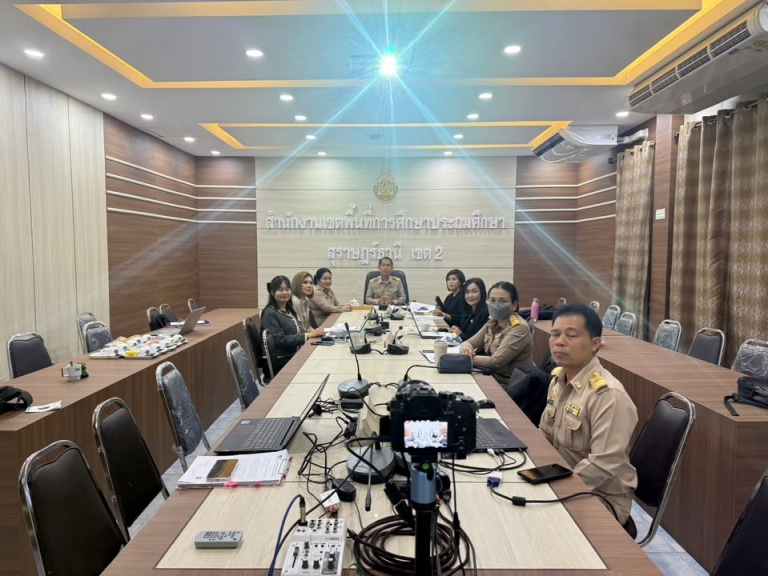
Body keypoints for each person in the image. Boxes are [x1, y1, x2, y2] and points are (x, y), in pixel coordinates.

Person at [539, 303, 639, 536]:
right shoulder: (558, 380)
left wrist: (551, 492)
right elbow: (543, 435)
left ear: (595, 344)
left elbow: (601, 465)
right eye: (555, 334)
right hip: (564, 480)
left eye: (571, 335)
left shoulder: (608, 396)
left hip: (600, 497)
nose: (559, 342)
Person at [459, 281, 532, 384]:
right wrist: (466, 349)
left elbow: (496, 362)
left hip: (509, 384)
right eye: (492, 300)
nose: (496, 305)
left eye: (502, 301)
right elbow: (469, 342)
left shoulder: (519, 327)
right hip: (490, 376)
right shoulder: (492, 322)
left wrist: (465, 358)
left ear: (514, 305)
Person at [261, 275, 324, 375]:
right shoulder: (270, 313)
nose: (285, 293)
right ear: (272, 292)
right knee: (319, 365)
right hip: (282, 361)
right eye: (280, 290)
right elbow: (280, 340)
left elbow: (298, 329)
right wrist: (308, 335)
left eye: (287, 289)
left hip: (293, 355)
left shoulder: (288, 310)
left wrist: (311, 332)